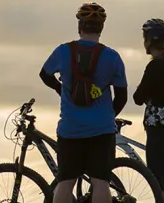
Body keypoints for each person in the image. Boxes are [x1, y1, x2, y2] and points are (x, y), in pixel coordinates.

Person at [37, 2, 127, 203]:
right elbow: (122, 96)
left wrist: (61, 89)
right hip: (101, 129)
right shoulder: (112, 57)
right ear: (101, 28)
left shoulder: (62, 52)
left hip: (70, 128)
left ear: (80, 25)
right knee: (100, 182)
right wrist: (108, 116)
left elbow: (44, 74)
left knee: (65, 181)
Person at [131, 18, 164, 203]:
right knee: (163, 176)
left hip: (157, 128)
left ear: (150, 39)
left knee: (157, 177)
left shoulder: (155, 66)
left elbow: (137, 98)